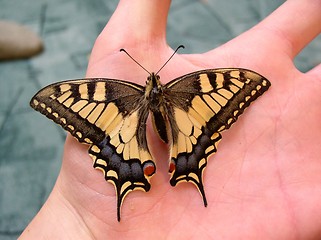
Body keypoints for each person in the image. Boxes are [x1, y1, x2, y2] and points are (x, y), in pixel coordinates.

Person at [20, 0, 321, 239]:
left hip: (132, 137)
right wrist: (84, 224)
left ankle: (166, 164)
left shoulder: (115, 94)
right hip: (179, 129)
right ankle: (171, 164)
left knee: (149, 141)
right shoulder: (185, 89)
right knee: (177, 138)